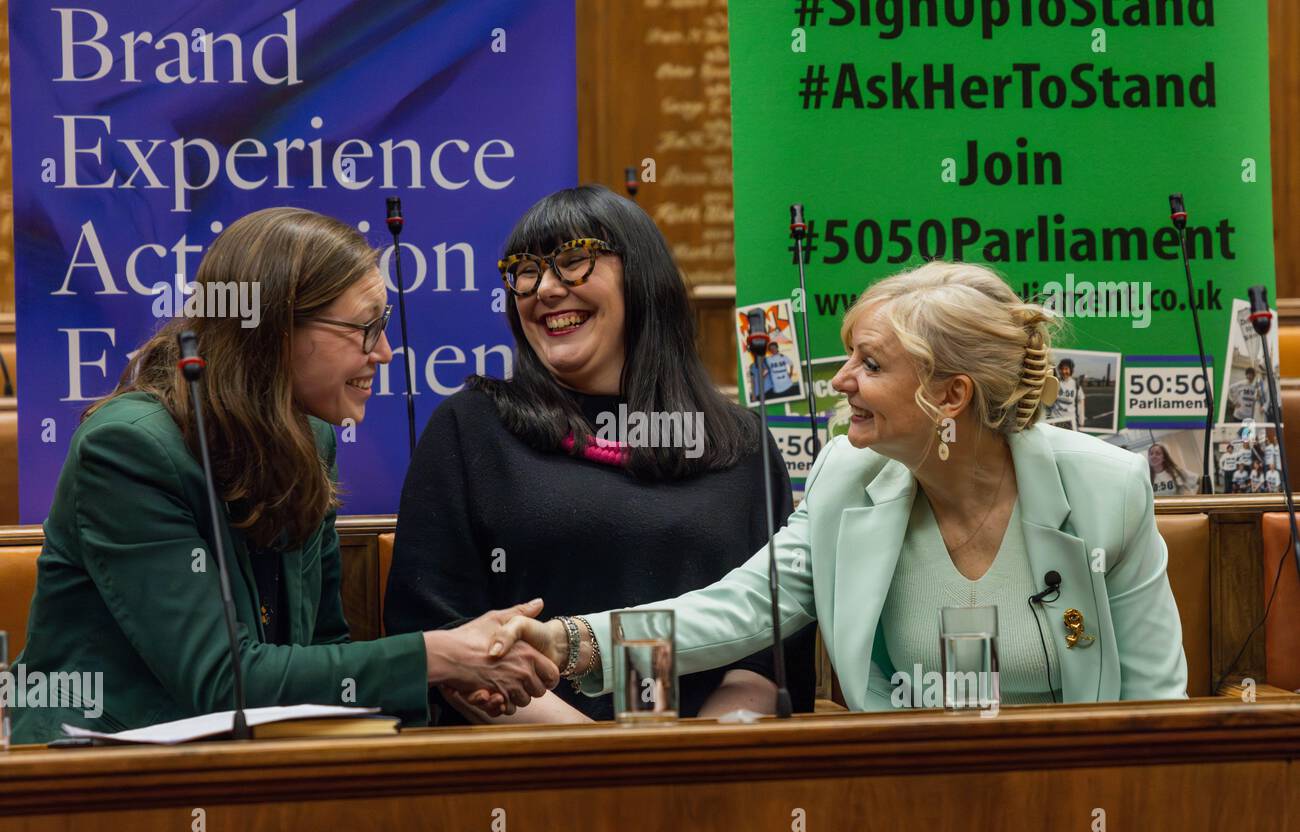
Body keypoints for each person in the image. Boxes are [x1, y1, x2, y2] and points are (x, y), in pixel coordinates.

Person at [488, 261, 1188, 711]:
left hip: (1077, 798)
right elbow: (736, 610)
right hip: (902, 805)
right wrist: (570, 641)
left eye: (870, 363)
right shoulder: (847, 478)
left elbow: (1158, 703)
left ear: (951, 395)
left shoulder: (1106, 489)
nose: (841, 379)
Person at [10, 208, 557, 743]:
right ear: (273, 330)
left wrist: (454, 678)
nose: (385, 353)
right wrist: (437, 655)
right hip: (92, 780)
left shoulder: (310, 437)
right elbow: (225, 681)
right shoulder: (127, 448)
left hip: (254, 774)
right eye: (366, 329)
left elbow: (322, 650)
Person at [383, 185, 815, 724]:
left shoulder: (741, 441)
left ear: (641, 278)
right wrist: (604, 763)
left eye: (572, 262)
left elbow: (773, 650)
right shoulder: (471, 428)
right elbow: (436, 635)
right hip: (534, 767)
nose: (543, 288)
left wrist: (695, 762)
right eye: (525, 271)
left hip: (713, 770)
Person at [1046, 357, 1085, 429]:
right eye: (1062, 369)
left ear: (1071, 370)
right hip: (1055, 420)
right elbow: (1048, 401)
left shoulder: (1076, 385)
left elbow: (1081, 403)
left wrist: (1081, 421)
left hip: (1070, 422)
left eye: (1066, 369)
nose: (1064, 371)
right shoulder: (1056, 382)